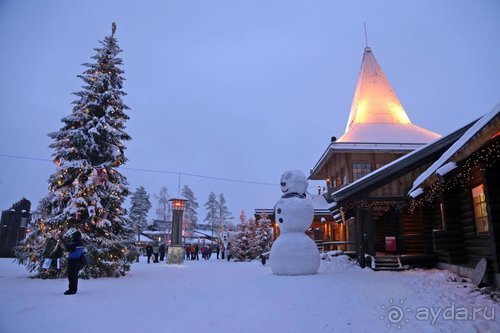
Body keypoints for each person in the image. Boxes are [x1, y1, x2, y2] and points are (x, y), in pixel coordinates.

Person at [64, 230, 85, 295]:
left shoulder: (75, 244)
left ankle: (72, 290)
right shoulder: (81, 243)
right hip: (78, 261)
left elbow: (67, 247)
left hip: (73, 261)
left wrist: (63, 240)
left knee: (71, 276)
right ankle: (74, 289)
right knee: (74, 276)